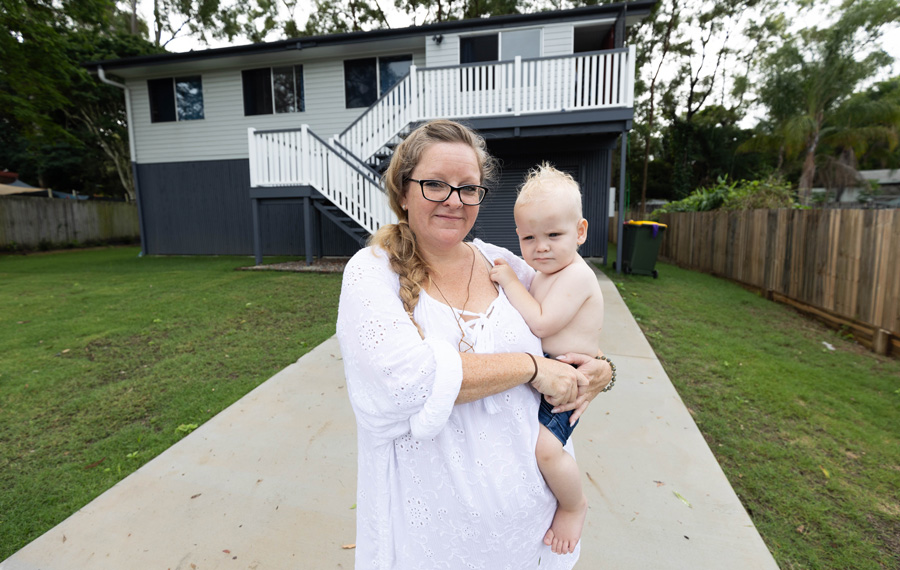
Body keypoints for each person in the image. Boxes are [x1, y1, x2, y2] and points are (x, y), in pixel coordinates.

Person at [335, 119, 615, 570]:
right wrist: (531, 367)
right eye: (435, 185)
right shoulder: (372, 272)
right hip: (434, 541)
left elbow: (568, 334)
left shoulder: (503, 264)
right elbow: (405, 384)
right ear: (403, 192)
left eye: (469, 188)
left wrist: (602, 370)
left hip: (533, 531)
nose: (454, 200)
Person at [489, 163, 606, 556]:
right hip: (551, 371)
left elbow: (540, 322)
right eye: (528, 237)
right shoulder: (545, 271)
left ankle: (574, 506)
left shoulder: (576, 275)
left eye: (554, 235)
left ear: (580, 231)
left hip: (570, 377)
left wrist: (507, 282)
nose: (540, 247)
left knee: (547, 451)